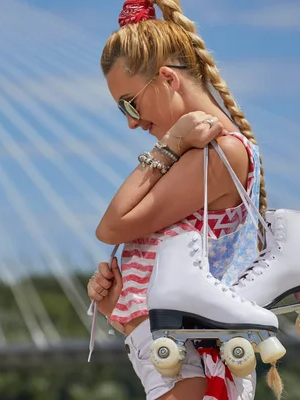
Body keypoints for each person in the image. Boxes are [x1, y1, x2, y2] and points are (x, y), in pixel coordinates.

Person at [86, 0, 281, 399]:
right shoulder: (203, 154)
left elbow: (112, 226)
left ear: (167, 80)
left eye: (129, 102)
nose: (131, 122)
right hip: (180, 355)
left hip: (192, 361)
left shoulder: (220, 153)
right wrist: (121, 307)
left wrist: (170, 144)